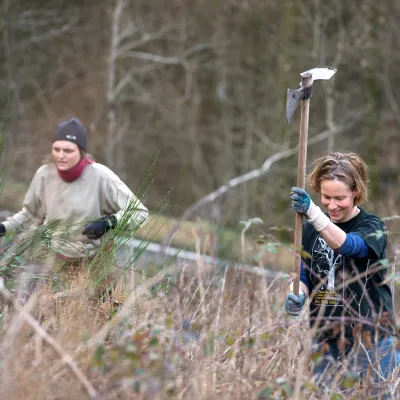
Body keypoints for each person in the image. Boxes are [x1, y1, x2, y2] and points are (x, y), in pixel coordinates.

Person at [285, 152, 399, 396]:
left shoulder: (372, 226)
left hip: (372, 340)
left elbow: (348, 245)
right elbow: (305, 272)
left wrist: (314, 213)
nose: (332, 205)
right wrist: (297, 294)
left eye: (340, 198)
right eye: (326, 197)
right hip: (326, 339)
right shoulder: (309, 229)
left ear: (356, 192)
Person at [0, 117, 149, 303]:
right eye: (57, 149)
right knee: (24, 302)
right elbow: (30, 215)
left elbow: (139, 212)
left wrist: (109, 222)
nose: (61, 155)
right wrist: (4, 228)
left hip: (92, 259)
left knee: (88, 312)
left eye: (68, 150)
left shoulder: (101, 177)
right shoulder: (44, 175)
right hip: (51, 254)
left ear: (81, 152)